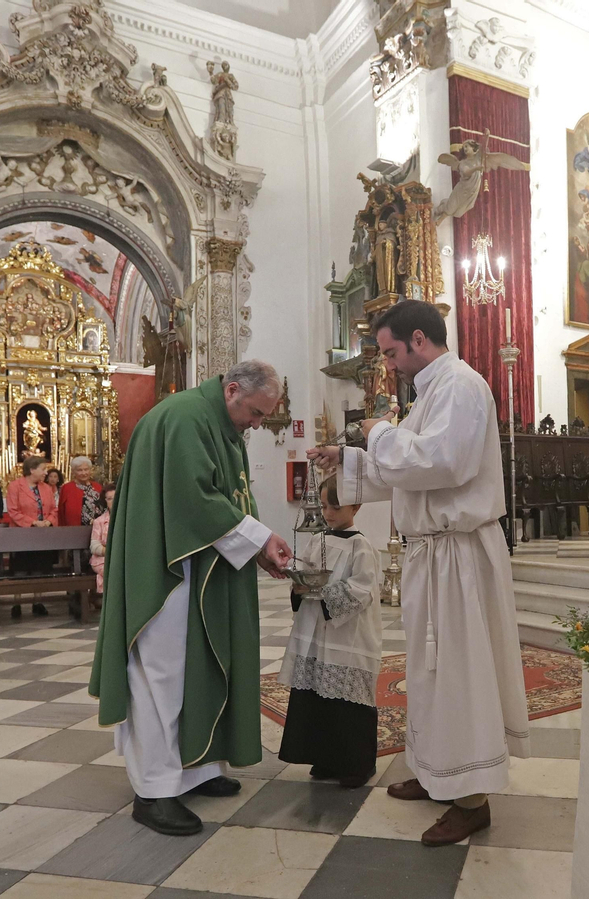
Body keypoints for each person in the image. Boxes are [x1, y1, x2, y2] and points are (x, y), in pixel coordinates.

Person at [309, 300, 529, 846]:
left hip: (459, 555)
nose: (389, 365)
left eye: (390, 353)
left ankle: (472, 800)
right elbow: (412, 472)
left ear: (417, 339)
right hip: (433, 555)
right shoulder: (431, 391)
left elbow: (443, 463)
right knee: (430, 671)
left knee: (459, 671)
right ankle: (437, 773)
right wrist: (350, 458)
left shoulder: (459, 385)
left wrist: (378, 433)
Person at [90, 360, 294, 837]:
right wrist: (259, 540)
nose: (258, 423)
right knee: (162, 676)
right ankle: (154, 792)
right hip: (167, 573)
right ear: (232, 389)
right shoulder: (185, 417)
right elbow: (193, 498)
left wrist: (259, 547)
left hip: (198, 565)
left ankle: (195, 768)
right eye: (257, 412)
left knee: (194, 668)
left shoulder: (217, 423)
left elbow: (235, 498)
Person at [277, 475, 381, 788]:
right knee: (315, 697)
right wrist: (298, 583)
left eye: (336, 506)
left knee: (346, 704)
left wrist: (325, 592)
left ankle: (355, 766)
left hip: (346, 635)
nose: (329, 513)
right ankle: (323, 759)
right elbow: (307, 570)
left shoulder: (361, 546)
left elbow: (363, 589)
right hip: (314, 631)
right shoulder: (317, 538)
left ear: (356, 506)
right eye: (324, 506)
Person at [6, 455, 58, 618]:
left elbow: (53, 510)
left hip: (42, 534)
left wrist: (48, 521)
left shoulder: (46, 488)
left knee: (39, 568)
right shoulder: (15, 486)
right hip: (22, 534)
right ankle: (17, 603)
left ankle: (38, 601)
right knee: (20, 570)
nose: (45, 472)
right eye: (43, 469)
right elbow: (13, 511)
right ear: (32, 470)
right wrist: (33, 522)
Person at [59, 456, 105, 527]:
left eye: (86, 469)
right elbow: (61, 512)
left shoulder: (97, 487)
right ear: (74, 472)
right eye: (79, 470)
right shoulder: (67, 488)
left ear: (90, 470)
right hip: (75, 530)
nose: (83, 473)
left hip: (97, 528)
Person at [89, 483, 116, 595]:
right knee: (113, 572)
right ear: (105, 501)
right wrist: (109, 551)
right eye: (109, 499)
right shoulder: (99, 521)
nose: (113, 502)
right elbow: (94, 546)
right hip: (103, 559)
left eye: (116, 498)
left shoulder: (130, 519)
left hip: (124, 558)